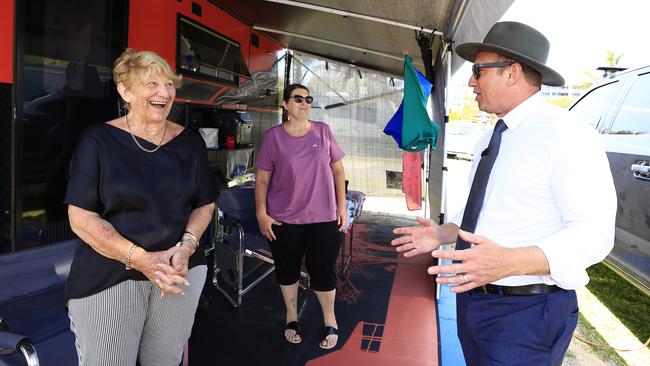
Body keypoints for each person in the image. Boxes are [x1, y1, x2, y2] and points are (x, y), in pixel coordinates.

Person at [391, 22, 616, 365]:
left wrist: (509, 262)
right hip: (475, 301)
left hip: (525, 314)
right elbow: (478, 213)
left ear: (512, 73)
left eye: (478, 71)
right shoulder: (493, 136)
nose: (470, 82)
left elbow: (595, 235)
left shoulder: (568, 135)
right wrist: (442, 233)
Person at [64, 48, 216, 366]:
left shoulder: (190, 142)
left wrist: (187, 246)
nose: (164, 93)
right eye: (152, 84)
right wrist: (142, 260)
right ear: (126, 91)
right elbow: (81, 216)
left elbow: (205, 202)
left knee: (164, 360)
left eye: (169, 85)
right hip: (111, 272)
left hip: (180, 269)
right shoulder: (98, 140)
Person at [255, 83, 347, 349]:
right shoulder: (274, 137)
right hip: (284, 219)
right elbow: (262, 179)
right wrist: (261, 212)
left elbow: (338, 170)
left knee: (323, 270)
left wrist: (341, 207)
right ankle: (291, 317)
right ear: (285, 105)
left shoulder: (323, 130)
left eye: (308, 98)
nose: (305, 103)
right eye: (298, 99)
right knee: (287, 270)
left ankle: (331, 321)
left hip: (324, 218)